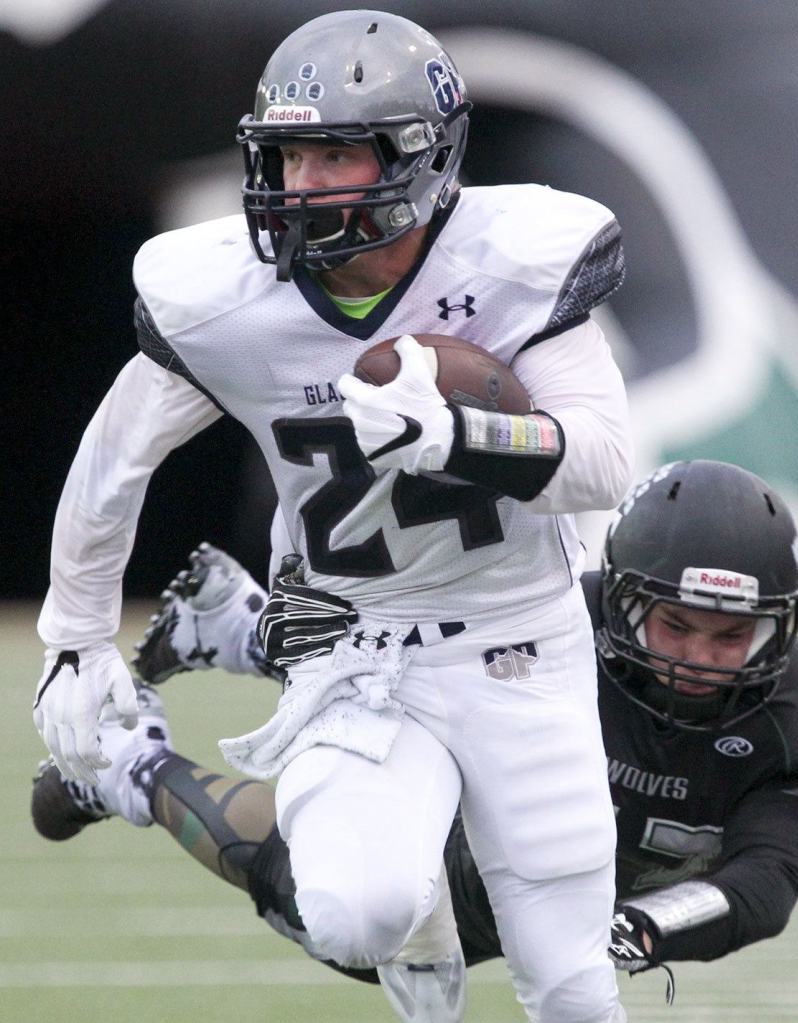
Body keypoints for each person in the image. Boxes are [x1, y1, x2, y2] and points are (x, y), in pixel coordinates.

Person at [32, 10, 633, 1023]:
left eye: (333, 154)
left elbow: (603, 464)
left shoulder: (513, 260)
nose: (301, 184)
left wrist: (456, 438)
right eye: (289, 154)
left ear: (421, 156)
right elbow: (113, 461)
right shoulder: (227, 295)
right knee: (358, 915)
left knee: (570, 984)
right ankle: (407, 913)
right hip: (352, 651)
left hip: (517, 639)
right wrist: (76, 637)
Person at [32, 460, 798, 1010]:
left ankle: (229, 623)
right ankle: (128, 762)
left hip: (581, 882)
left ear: (776, 629)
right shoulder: (560, 620)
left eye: (728, 635)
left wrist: (641, 926)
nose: (700, 657)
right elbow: (404, 649)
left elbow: (762, 885)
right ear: (622, 601)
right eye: (675, 625)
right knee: (340, 913)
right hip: (471, 807)